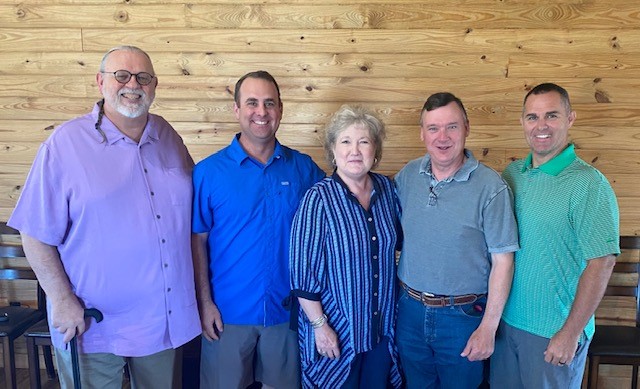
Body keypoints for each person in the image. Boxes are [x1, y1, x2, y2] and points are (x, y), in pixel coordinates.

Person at [7, 45, 200, 388]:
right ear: (100, 81)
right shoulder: (64, 144)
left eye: (143, 77)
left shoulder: (168, 136)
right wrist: (62, 299)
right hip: (93, 322)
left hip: (162, 318)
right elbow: (34, 234)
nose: (132, 84)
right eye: (121, 75)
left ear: (154, 85)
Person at [191, 70, 325, 389]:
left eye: (269, 103)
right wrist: (204, 302)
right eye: (252, 103)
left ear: (281, 109)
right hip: (227, 313)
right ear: (236, 109)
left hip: (287, 314)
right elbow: (196, 241)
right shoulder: (208, 173)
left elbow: (336, 211)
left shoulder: (303, 169)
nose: (261, 112)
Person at [491, 83, 620, 388]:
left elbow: (602, 263)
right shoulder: (512, 175)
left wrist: (571, 332)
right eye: (532, 117)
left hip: (553, 333)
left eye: (551, 115)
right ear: (523, 122)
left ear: (570, 118)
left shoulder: (589, 184)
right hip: (506, 326)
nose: (541, 126)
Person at [394, 92, 519, 388]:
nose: (443, 137)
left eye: (452, 126)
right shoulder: (407, 177)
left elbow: (504, 261)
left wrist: (488, 327)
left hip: (463, 318)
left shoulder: (491, 188)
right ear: (422, 133)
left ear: (466, 128)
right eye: (434, 128)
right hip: (409, 310)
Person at [290, 105, 403, 388]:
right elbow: (303, 276)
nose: (355, 150)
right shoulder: (318, 199)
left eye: (364, 142)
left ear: (375, 150)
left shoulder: (388, 190)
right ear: (333, 150)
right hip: (337, 331)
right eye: (346, 142)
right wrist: (320, 327)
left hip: (381, 329)